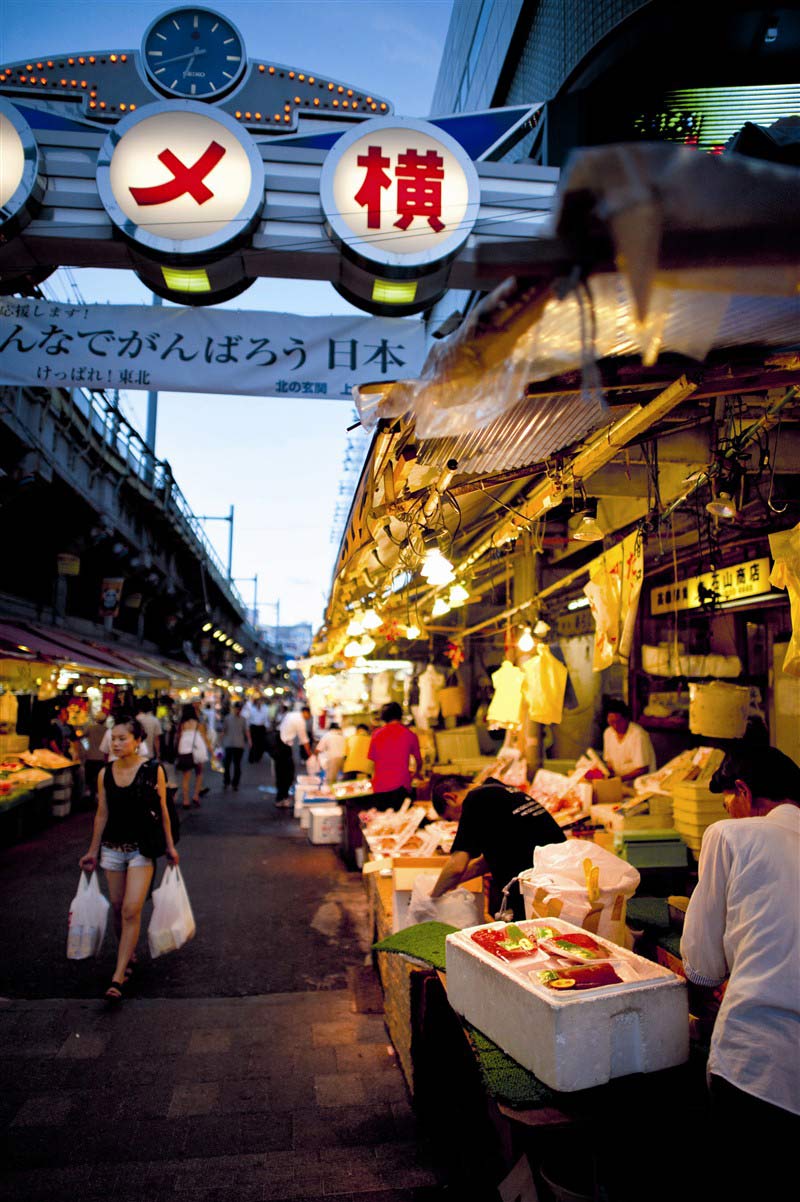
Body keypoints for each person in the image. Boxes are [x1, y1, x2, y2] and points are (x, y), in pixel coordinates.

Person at [680, 745, 800, 1176]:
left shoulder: (731, 835)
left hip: (756, 1068)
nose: (728, 811)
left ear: (744, 793)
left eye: (727, 800)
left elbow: (702, 967)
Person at [79, 715, 178, 1001]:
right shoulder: (104, 774)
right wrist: (92, 850)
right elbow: (102, 814)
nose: (116, 743)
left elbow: (164, 810)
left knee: (131, 909)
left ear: (137, 741)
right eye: (114, 738)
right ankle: (129, 951)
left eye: (123, 738)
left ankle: (118, 975)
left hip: (141, 849)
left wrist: (170, 847)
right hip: (111, 849)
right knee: (118, 907)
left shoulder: (152, 770)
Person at [430, 774, 566, 919]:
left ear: (450, 798)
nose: (457, 822)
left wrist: (431, 898)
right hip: (559, 878)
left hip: (536, 889)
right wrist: (450, 883)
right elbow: (490, 860)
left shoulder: (474, 799)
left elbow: (456, 866)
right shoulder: (500, 791)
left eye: (451, 818)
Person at [367, 702, 422, 802]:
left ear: (384, 717)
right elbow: (418, 761)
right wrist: (416, 774)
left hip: (380, 787)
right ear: (401, 715)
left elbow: (371, 763)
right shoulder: (410, 734)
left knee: (382, 817)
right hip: (401, 787)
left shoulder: (376, 735)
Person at [601, 698, 656, 782]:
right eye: (612, 722)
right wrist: (609, 774)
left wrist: (619, 780)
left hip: (640, 781)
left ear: (626, 719)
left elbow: (642, 769)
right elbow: (609, 762)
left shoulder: (638, 735)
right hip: (619, 780)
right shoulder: (608, 733)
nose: (615, 726)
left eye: (619, 722)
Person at [274, 704, 312, 808]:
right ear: (306, 712)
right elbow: (304, 740)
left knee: (282, 773)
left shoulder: (291, 714)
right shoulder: (300, 721)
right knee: (286, 774)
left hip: (280, 743)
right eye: (310, 715)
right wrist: (311, 756)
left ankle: (281, 797)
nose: (309, 718)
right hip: (283, 746)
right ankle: (282, 798)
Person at [175, 703, 210, 809]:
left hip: (185, 750)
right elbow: (205, 738)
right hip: (198, 749)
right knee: (199, 773)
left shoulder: (182, 724)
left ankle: (186, 800)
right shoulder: (198, 723)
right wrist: (212, 753)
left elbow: (178, 737)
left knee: (186, 777)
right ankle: (195, 796)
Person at [221, 701, 250, 791]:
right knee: (227, 764)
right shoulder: (227, 718)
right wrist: (219, 741)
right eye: (237, 708)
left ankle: (235, 783)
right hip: (229, 744)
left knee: (237, 765)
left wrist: (250, 741)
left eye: (240, 709)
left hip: (239, 745)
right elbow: (223, 730)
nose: (238, 710)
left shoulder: (243, 719)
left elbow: (246, 731)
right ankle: (226, 781)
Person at [316, 722, 346, 786]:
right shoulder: (343, 736)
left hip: (333, 760)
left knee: (330, 782)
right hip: (344, 759)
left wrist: (314, 757)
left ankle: (331, 795)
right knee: (343, 781)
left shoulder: (327, 735)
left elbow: (318, 749)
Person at [243, 695, 270, 763]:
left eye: (260, 701)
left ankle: (258, 756)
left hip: (261, 728)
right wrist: (247, 727)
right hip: (254, 727)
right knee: (253, 743)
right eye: (258, 702)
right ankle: (251, 757)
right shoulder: (252, 709)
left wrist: (267, 727)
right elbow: (248, 719)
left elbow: (267, 719)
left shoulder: (265, 709)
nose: (259, 703)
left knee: (261, 744)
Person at [134, 696, 162, 761]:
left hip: (136, 754)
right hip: (149, 754)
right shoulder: (154, 720)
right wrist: (158, 754)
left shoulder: (135, 720)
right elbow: (156, 740)